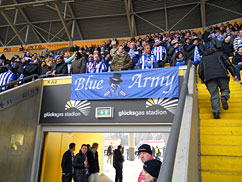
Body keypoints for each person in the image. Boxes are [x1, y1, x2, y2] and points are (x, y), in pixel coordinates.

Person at [198, 48, 237, 119]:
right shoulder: (220, 54)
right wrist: (234, 74)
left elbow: (200, 72)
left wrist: (203, 79)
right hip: (222, 75)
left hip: (209, 78)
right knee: (225, 89)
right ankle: (224, 97)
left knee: (214, 94)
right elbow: (228, 64)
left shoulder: (203, 59)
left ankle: (216, 112)